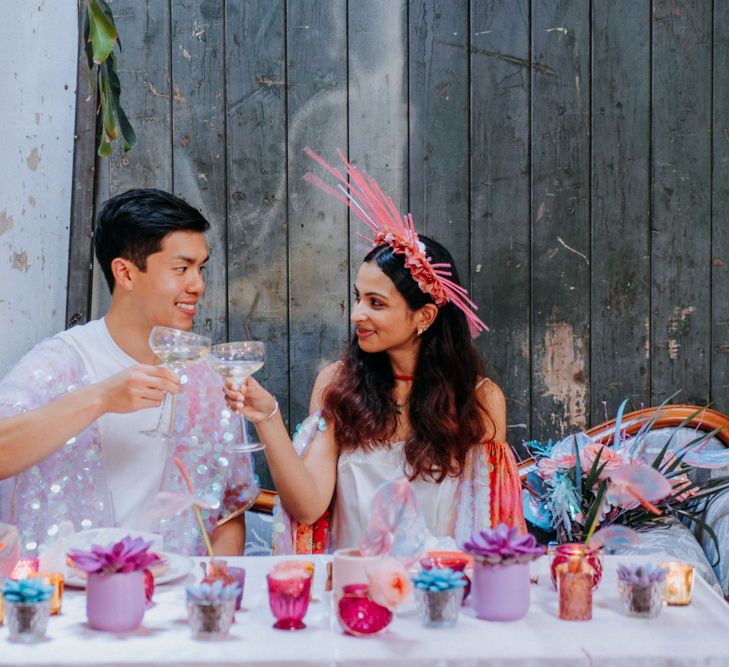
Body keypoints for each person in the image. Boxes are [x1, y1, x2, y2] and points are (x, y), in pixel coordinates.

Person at [225, 150, 525, 553]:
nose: (357, 315)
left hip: (438, 596)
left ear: (424, 316)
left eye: (376, 303)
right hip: (353, 592)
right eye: (358, 297)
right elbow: (307, 506)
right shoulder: (337, 383)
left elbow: (490, 524)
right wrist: (267, 418)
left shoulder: (479, 400)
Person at [0, 189, 258, 557]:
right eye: (181, 268)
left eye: (200, 269)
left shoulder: (203, 378)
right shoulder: (64, 361)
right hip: (73, 597)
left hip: (175, 597)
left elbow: (229, 510)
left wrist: (210, 593)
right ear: (125, 273)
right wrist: (101, 397)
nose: (197, 284)